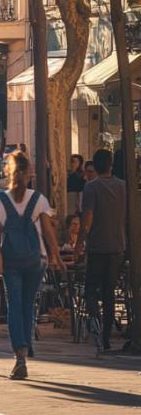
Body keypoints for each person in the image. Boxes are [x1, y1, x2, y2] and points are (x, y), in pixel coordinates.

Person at [0, 151, 63, 380]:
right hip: (35, 260)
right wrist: (56, 257)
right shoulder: (38, 199)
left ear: (7, 172)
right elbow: (48, 232)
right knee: (29, 305)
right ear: (30, 174)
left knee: (15, 306)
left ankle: (19, 354)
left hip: (11, 261)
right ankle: (26, 344)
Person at [79, 148, 126, 352]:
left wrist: (80, 242)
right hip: (117, 247)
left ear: (95, 167)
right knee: (109, 293)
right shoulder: (123, 186)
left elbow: (87, 218)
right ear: (111, 165)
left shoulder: (91, 188)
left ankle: (95, 325)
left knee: (90, 290)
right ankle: (106, 337)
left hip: (97, 246)